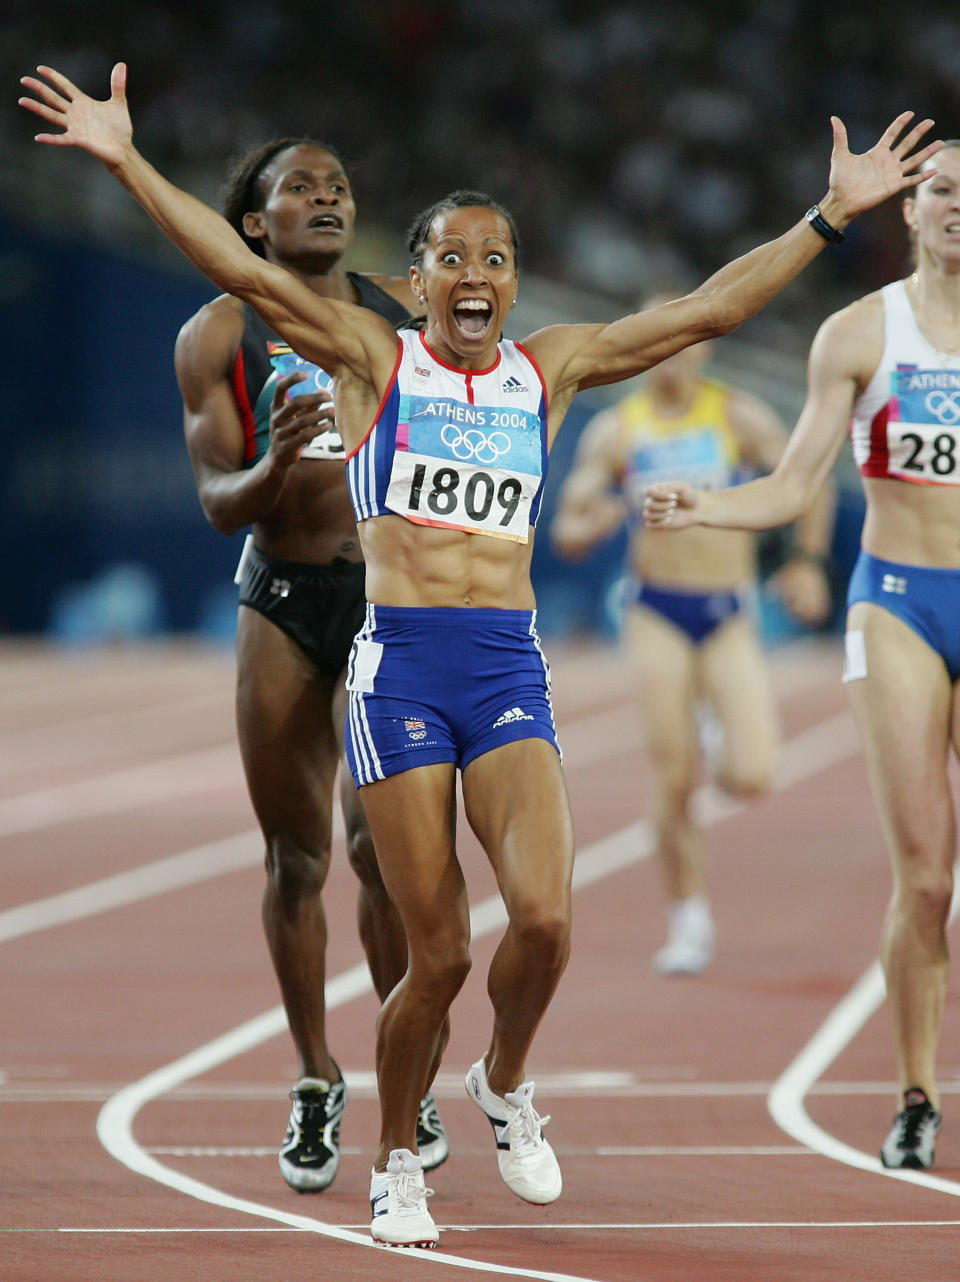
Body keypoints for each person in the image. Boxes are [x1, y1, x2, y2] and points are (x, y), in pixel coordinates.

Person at [19, 60, 940, 1246]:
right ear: (415, 282)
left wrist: (827, 216)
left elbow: (709, 312)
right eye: (453, 258)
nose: (477, 277)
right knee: (440, 950)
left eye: (497, 260)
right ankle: (395, 1158)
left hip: (506, 666)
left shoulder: (546, 368)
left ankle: (503, 1083)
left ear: (513, 285)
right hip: (398, 665)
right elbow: (237, 268)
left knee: (548, 923)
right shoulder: (370, 356)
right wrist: (126, 159)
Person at [644, 141, 960, 1171]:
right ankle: (917, 1089)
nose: (958, 209)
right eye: (942, 192)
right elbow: (791, 484)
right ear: (911, 214)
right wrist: (709, 502)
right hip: (901, 604)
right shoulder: (861, 333)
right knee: (924, 881)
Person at [173, 137, 449, 1194]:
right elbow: (214, 501)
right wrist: (280, 456)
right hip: (284, 598)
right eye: (302, 188)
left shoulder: (401, 317)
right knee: (298, 861)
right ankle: (314, 1075)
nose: (327, 198)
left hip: (386, 599)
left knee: (385, 854)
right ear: (255, 224)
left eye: (339, 184)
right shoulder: (220, 333)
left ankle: (408, 1075)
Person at [551, 312, 834, 975]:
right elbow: (566, 524)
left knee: (754, 772)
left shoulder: (735, 416)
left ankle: (715, 727)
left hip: (729, 607)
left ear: (703, 351)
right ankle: (688, 919)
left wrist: (806, 560)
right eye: (661, 345)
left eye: (686, 345)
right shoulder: (619, 428)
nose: (673, 358)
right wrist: (591, 520)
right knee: (672, 775)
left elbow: (807, 477)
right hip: (655, 609)